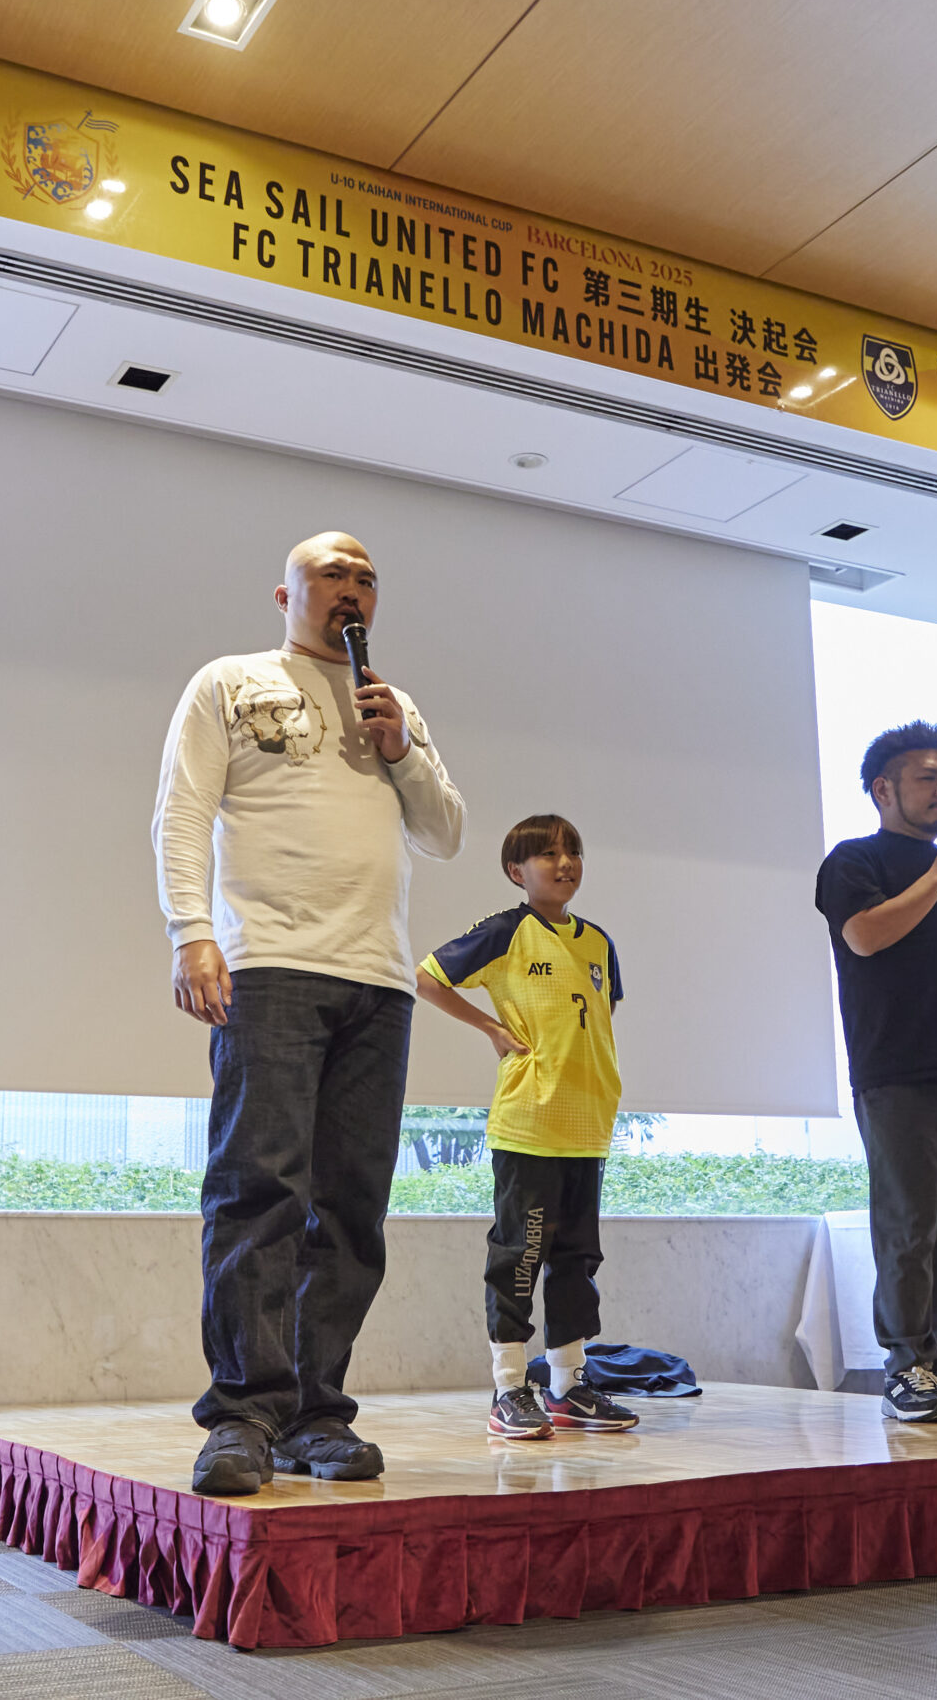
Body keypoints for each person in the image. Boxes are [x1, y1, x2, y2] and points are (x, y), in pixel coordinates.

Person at [153, 531, 467, 1494]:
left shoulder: (394, 704)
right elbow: (182, 810)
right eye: (333, 573)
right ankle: (244, 1413)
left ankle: (315, 1413)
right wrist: (191, 932)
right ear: (285, 593)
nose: (352, 588)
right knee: (259, 1192)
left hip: (379, 978)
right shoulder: (229, 681)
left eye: (367, 577)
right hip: (269, 968)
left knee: (352, 1207)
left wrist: (401, 748)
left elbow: (446, 832)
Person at [416, 815, 640, 1441]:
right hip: (529, 1124)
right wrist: (490, 1027)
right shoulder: (507, 932)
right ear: (517, 871)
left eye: (573, 852)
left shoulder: (598, 943)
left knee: (577, 1260)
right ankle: (510, 1387)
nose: (564, 863)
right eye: (547, 854)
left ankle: (568, 1385)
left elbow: (599, 1016)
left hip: (588, 1125)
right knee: (521, 1254)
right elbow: (428, 978)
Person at [814, 722, 937, 1424]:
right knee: (909, 1225)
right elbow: (864, 936)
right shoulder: (855, 861)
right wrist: (936, 878)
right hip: (897, 1070)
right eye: (928, 777)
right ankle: (904, 1366)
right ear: (883, 790)